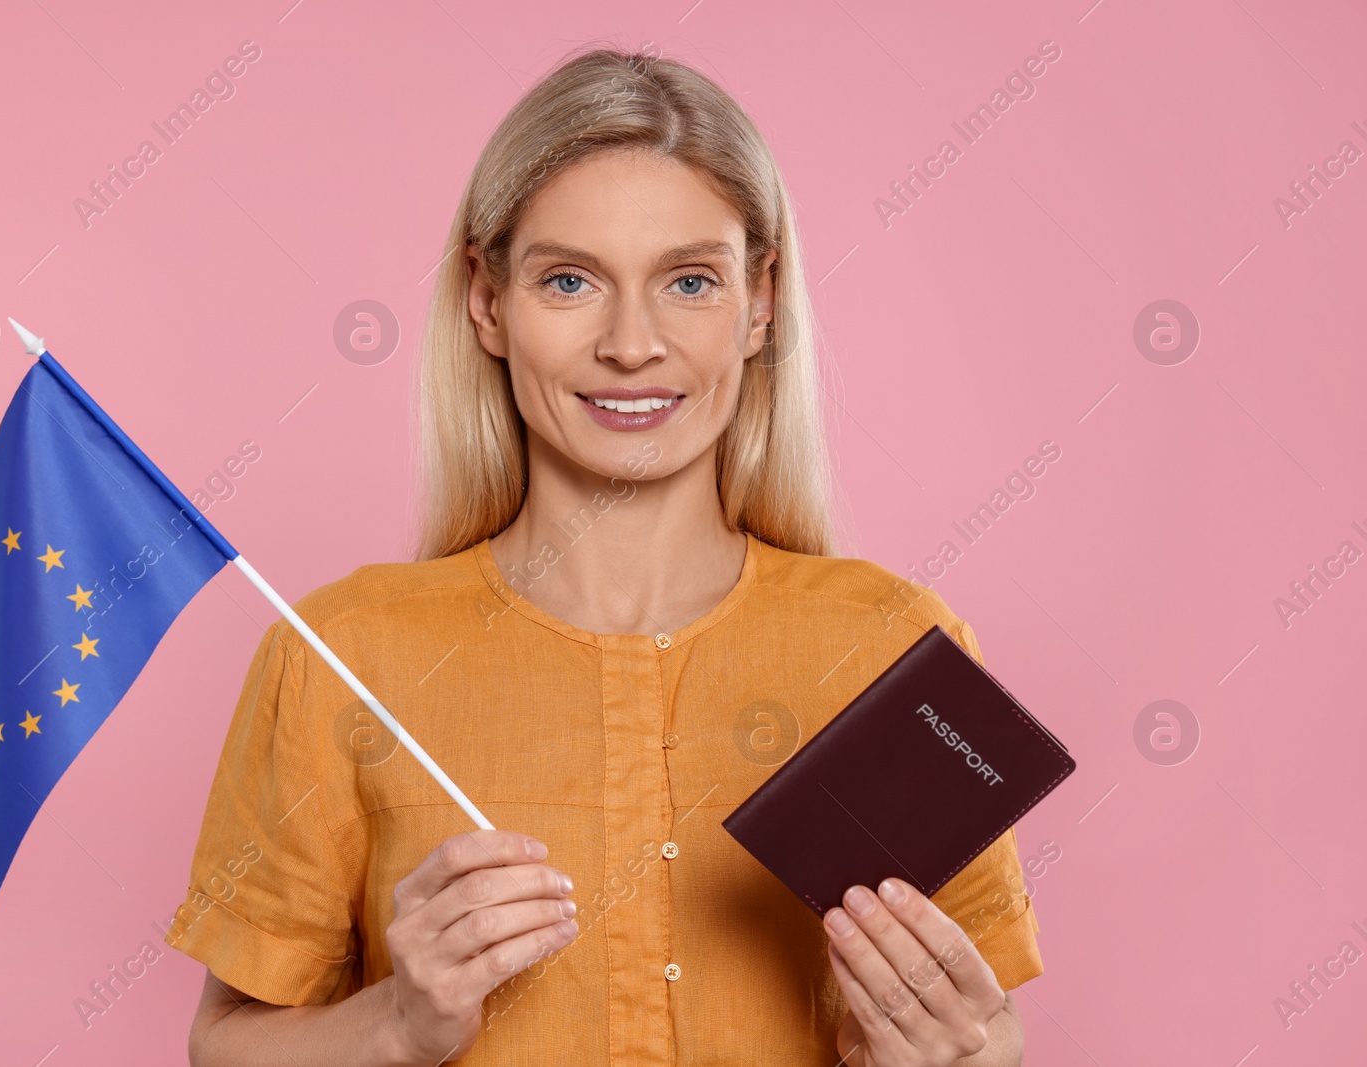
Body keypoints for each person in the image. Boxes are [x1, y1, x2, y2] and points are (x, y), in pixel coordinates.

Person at [168, 46, 1043, 1067]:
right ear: (487, 303)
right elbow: (224, 1042)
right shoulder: (342, 653)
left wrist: (948, 1053)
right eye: (570, 279)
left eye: (688, 279)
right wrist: (399, 1025)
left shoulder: (893, 648)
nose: (632, 344)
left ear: (758, 304)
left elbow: (991, 1029)